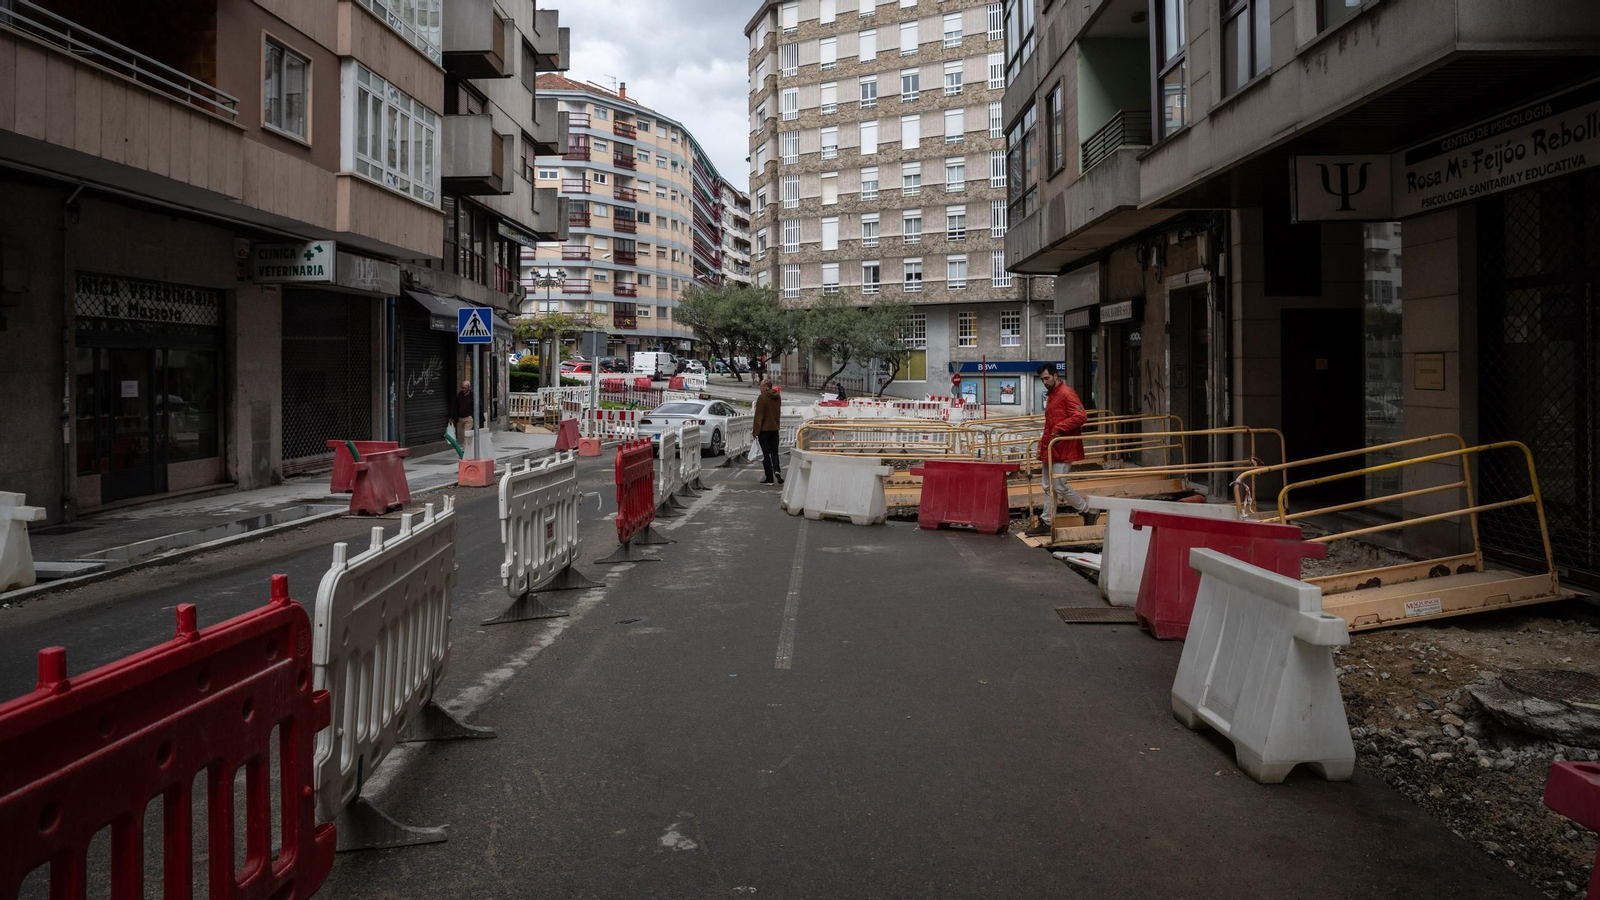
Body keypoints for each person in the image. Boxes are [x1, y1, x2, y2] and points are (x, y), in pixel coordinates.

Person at [1026, 364, 1097, 535]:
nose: (1044, 382)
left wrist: (1059, 428)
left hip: (1063, 447)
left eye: (1047, 378)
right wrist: (1041, 447)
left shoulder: (1065, 393)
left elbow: (1080, 416)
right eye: (1042, 379)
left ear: (1056, 376)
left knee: (1057, 485)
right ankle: (1047, 521)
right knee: (1049, 486)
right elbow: (1049, 425)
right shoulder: (1054, 395)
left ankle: (1086, 511)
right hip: (1054, 446)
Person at [753, 377, 784, 484]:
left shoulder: (762, 397)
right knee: (774, 452)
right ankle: (777, 470)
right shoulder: (777, 397)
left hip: (764, 430)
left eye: (761, 386)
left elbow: (759, 416)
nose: (760, 388)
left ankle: (769, 477)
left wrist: (756, 432)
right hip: (775, 429)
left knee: (765, 455)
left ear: (765, 387)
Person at [454, 379, 477, 444]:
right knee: (463, 435)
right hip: (461, 418)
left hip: (468, 418)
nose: (463, 390)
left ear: (469, 388)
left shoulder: (473, 395)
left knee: (466, 433)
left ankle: (465, 449)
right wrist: (453, 417)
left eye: (465, 388)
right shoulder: (458, 396)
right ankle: (469, 446)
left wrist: (473, 416)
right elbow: (455, 407)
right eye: (462, 388)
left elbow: (477, 405)